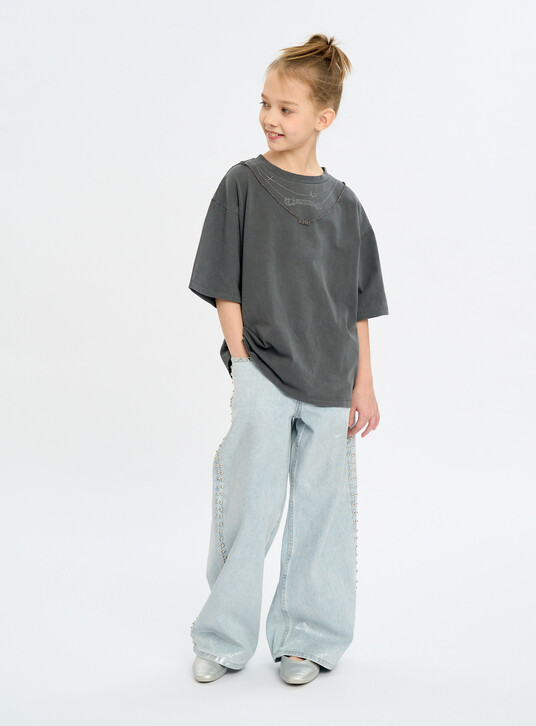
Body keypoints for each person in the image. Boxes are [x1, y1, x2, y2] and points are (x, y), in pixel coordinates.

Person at [187, 33, 389, 685]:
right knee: (249, 504)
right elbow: (224, 281)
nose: (269, 118)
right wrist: (243, 360)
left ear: (324, 117)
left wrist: (364, 384)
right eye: (265, 103)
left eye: (286, 108)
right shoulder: (242, 185)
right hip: (265, 372)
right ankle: (223, 637)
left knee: (322, 514)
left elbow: (358, 306)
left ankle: (308, 639)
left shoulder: (346, 206)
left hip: (331, 380)